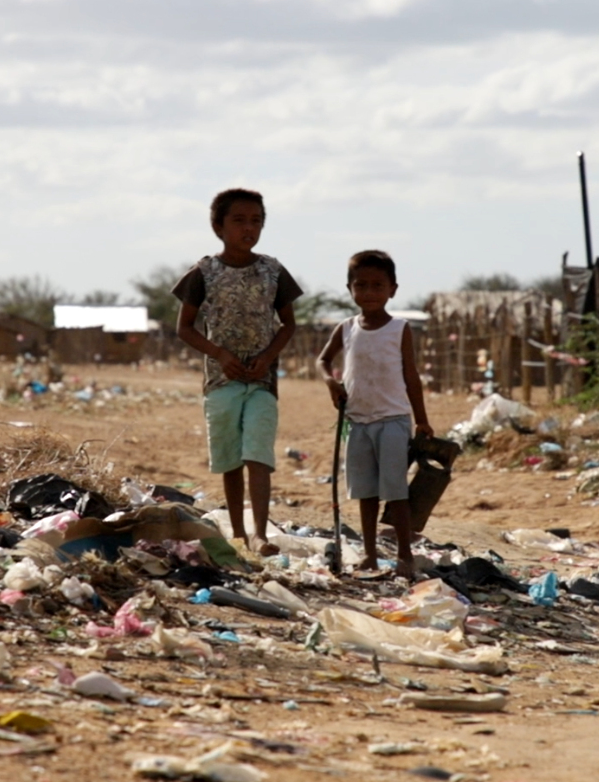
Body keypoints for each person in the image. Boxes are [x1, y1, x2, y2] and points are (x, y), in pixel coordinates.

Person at [172, 189, 302, 556]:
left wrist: (268, 357)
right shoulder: (204, 272)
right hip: (221, 379)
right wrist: (219, 354)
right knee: (231, 458)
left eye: (256, 220)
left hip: (261, 379)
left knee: (258, 453)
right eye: (239, 220)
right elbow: (184, 327)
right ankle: (240, 532)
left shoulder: (273, 271)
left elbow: (288, 325)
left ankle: (260, 533)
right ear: (218, 226)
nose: (249, 228)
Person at [317, 250, 432, 579]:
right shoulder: (346, 328)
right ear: (349, 288)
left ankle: (404, 556)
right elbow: (323, 360)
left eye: (377, 286)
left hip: (393, 419)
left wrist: (421, 419)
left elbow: (411, 377)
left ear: (392, 289)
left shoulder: (399, 329)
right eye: (361, 285)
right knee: (365, 491)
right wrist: (330, 381)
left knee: (396, 491)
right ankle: (369, 555)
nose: (369, 292)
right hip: (357, 422)